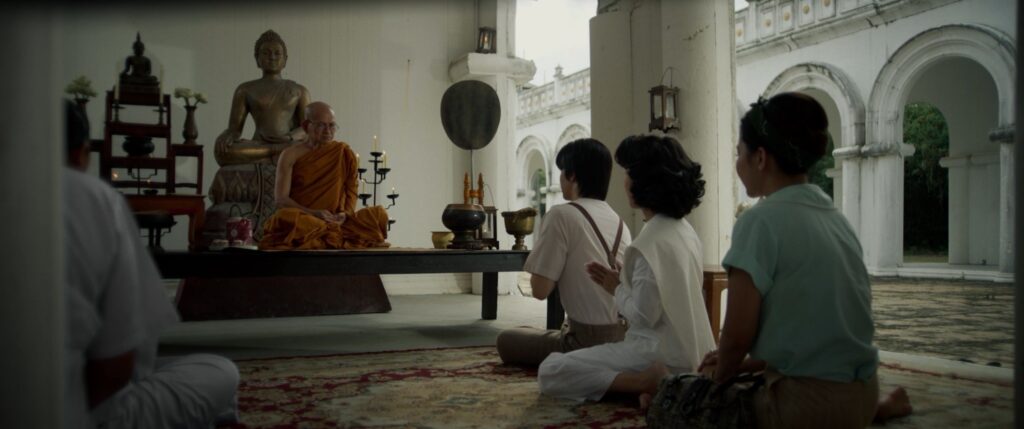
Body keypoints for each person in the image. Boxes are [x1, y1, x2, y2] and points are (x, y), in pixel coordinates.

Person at [651, 92, 912, 427]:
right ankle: (879, 408)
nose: (737, 164)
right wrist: (745, 364)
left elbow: (737, 337)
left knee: (667, 399)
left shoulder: (758, 222)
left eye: (739, 154)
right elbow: (818, 333)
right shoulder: (836, 218)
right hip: (862, 394)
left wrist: (712, 385)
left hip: (803, 407)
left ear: (760, 157)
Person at [62, 100, 239, 428]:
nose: (326, 131)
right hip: (79, 412)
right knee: (220, 371)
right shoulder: (95, 197)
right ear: (81, 153)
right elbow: (118, 368)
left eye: (331, 125)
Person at [536, 134, 716, 402]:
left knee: (551, 369)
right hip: (695, 355)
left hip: (657, 354)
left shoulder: (650, 241)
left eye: (629, 173)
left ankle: (645, 382)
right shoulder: (685, 231)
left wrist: (617, 288)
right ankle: (656, 391)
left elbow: (644, 315)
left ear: (643, 183)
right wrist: (627, 282)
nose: (625, 181)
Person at [496, 139, 632, 366]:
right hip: (623, 340)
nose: (559, 179)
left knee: (506, 339)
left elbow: (539, 290)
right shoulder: (619, 221)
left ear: (572, 176)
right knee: (533, 332)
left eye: (561, 172)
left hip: (585, 341)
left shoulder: (561, 215)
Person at [259, 101, 390, 250]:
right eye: (321, 125)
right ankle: (328, 234)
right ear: (306, 126)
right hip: (306, 220)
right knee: (283, 218)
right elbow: (281, 200)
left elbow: (351, 192)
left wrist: (345, 214)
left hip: (337, 221)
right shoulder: (290, 155)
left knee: (378, 214)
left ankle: (328, 233)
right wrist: (314, 213)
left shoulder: (343, 153)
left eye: (332, 125)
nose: (328, 131)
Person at [214, 29, 311, 166]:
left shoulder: (300, 91)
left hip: (288, 143)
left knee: (311, 149)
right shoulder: (245, 89)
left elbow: (308, 129)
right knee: (222, 150)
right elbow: (235, 130)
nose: (272, 57)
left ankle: (270, 155)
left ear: (285, 59)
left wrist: (289, 137)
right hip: (258, 144)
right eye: (266, 53)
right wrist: (226, 136)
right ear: (257, 59)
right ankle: (274, 153)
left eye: (277, 53)